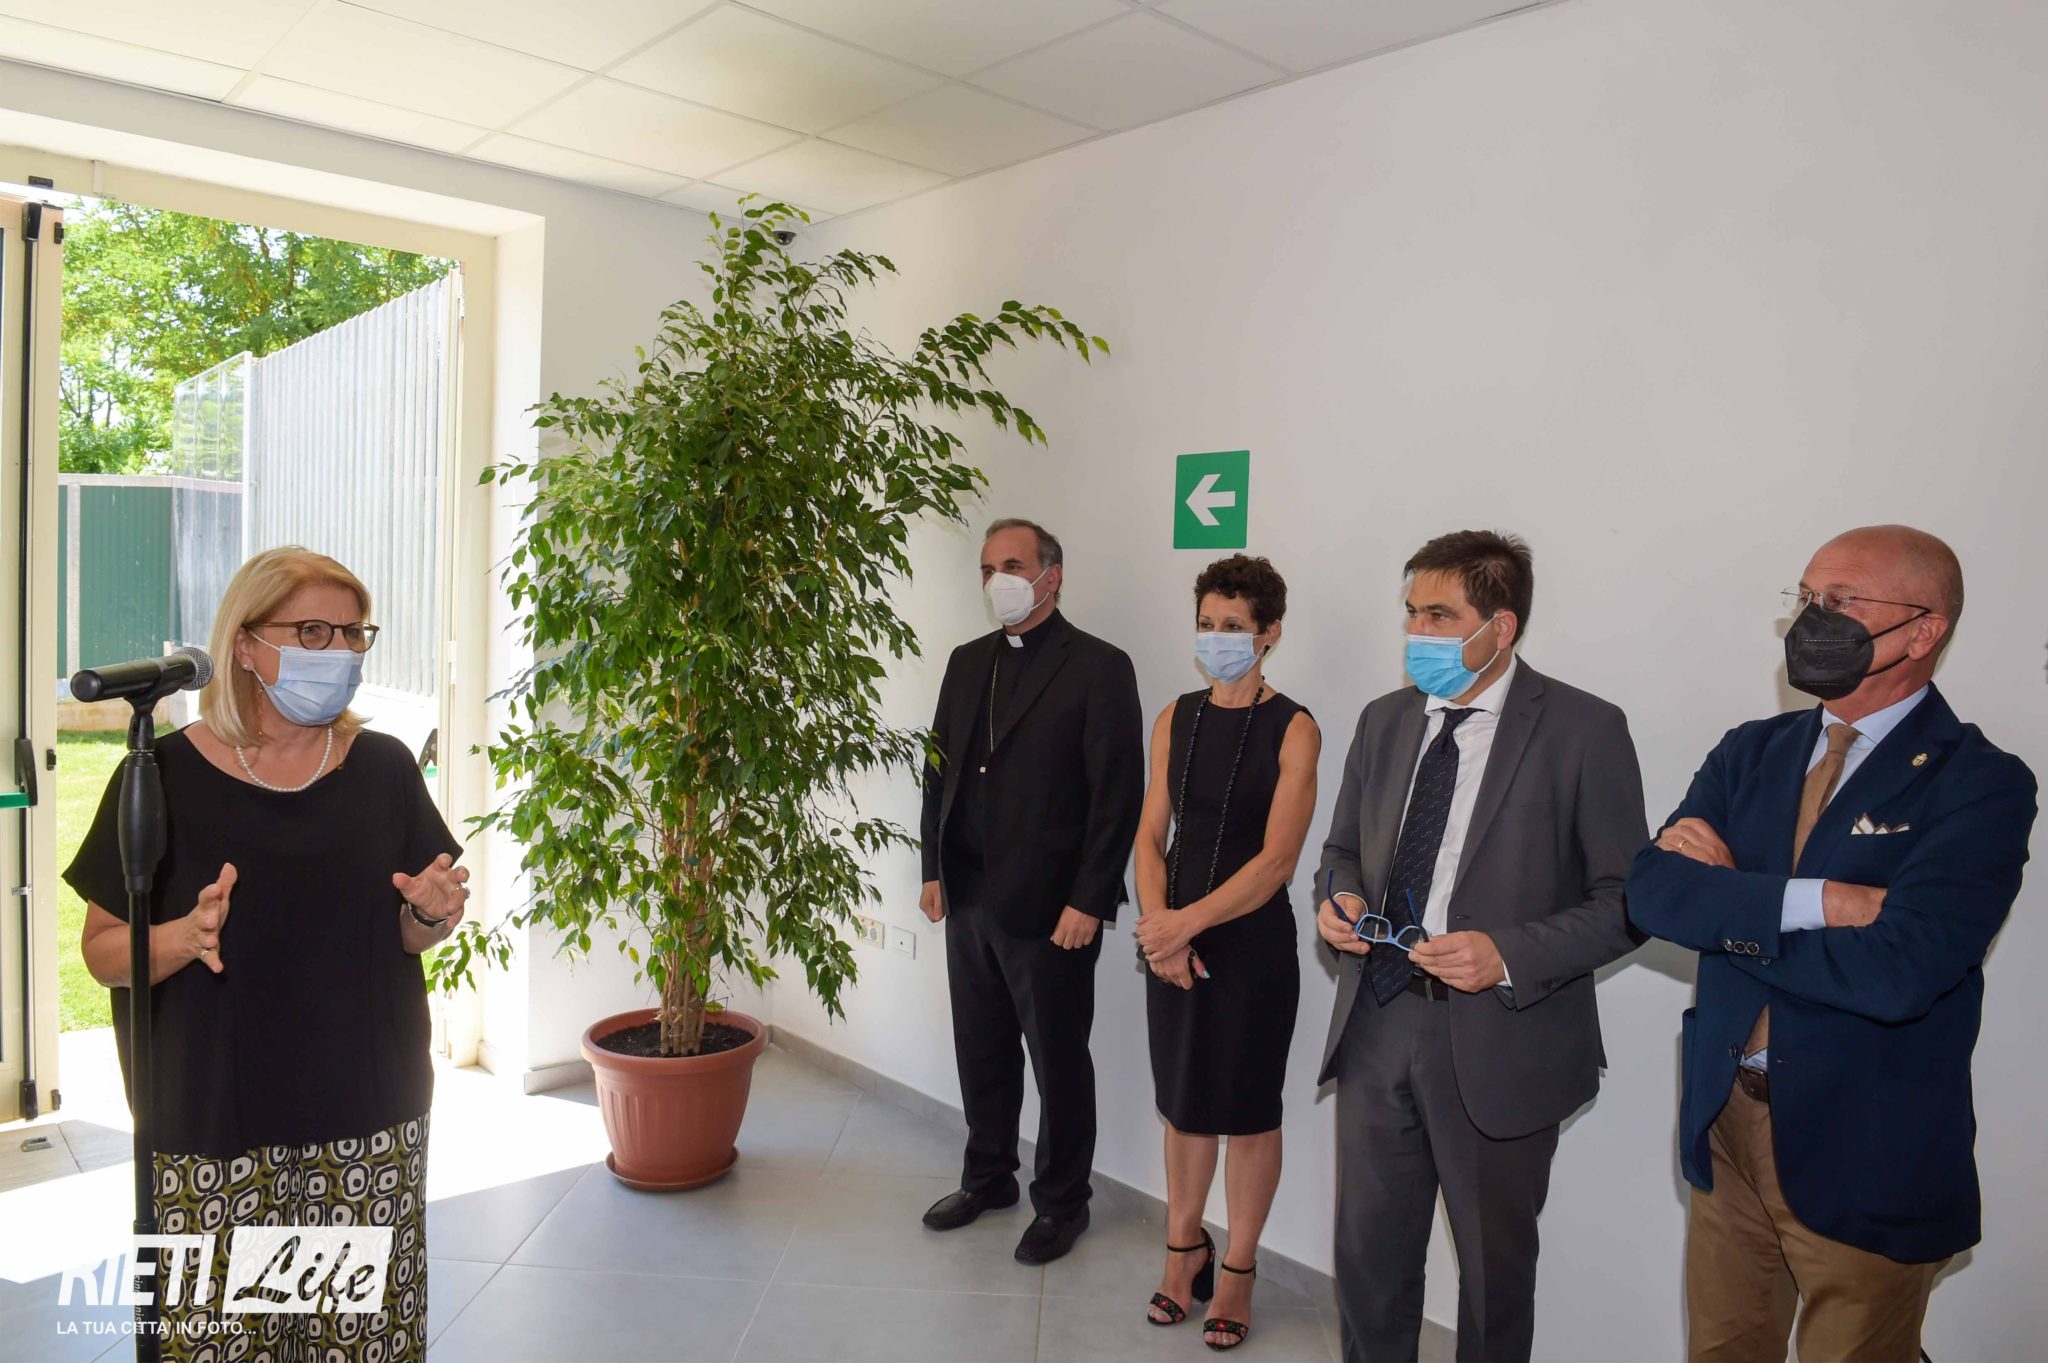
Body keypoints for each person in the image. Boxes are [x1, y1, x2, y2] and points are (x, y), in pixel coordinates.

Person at [1627, 525, 2036, 1363]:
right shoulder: (1751, 750)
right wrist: (1823, 902)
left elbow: (1900, 971)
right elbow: (1653, 891)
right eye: (1807, 598)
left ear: (1923, 631)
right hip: (1727, 1119)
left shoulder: (1980, 781)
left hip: (1868, 1142)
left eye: (1842, 602)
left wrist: (1730, 903)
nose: (1812, 619)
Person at [70, 546, 470, 1363]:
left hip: (364, 1127)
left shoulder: (384, 768)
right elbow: (103, 952)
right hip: (213, 1132)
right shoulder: (160, 776)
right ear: (246, 644)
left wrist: (430, 915)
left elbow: (404, 933)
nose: (339, 653)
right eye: (313, 631)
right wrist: (183, 937)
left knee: (356, 1346)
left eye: (353, 634)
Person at [1314, 530, 1645, 1363]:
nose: (1416, 632)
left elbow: (1627, 902)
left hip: (1504, 1036)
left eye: (1439, 616)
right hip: (1378, 1016)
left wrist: (1505, 954)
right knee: (1368, 1259)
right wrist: (1338, 896)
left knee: (1494, 1277)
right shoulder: (1384, 720)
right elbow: (1341, 848)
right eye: (1411, 613)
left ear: (1502, 626)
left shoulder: (1584, 728)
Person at [917, 518, 1144, 1265]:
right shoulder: (966, 662)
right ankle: (988, 1178)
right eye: (987, 569)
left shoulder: (1100, 666)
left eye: (1012, 565)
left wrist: (1091, 899)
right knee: (981, 1050)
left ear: (1052, 575)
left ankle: (1063, 1202)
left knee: (1058, 1062)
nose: (998, 581)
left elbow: (1118, 795)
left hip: (1053, 908)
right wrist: (931, 869)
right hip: (969, 895)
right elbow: (938, 770)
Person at [1131, 554, 1319, 1350]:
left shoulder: (1296, 727)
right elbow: (1150, 834)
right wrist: (1159, 926)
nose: (1216, 638)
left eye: (1233, 626)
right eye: (1206, 624)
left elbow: (1278, 861)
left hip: (1251, 947)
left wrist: (1185, 925)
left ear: (1269, 633)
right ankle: (1184, 1250)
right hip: (1171, 940)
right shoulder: (1174, 716)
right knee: (1183, 1104)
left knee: (1246, 1113)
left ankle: (1237, 1266)